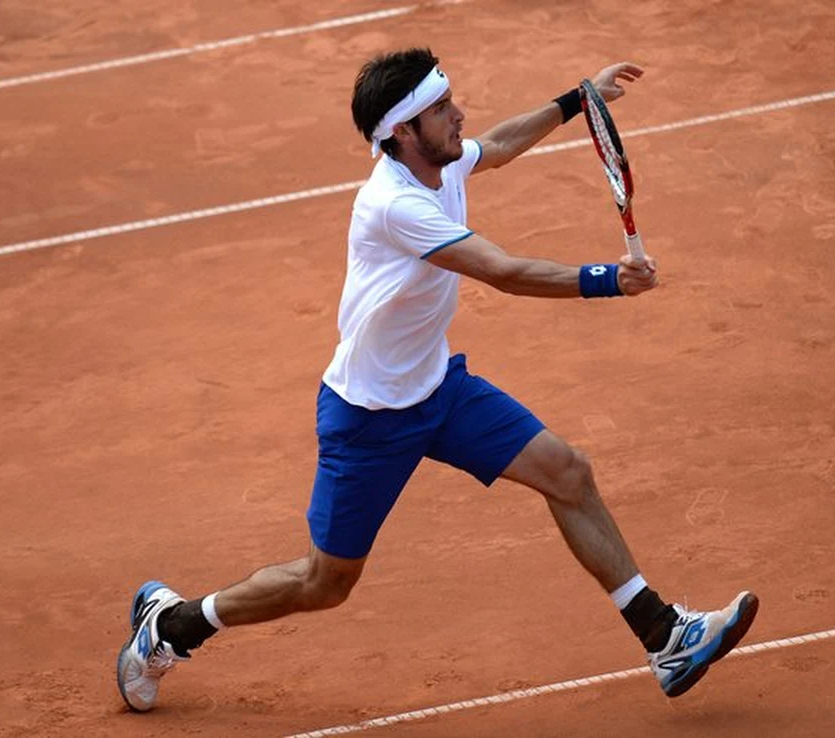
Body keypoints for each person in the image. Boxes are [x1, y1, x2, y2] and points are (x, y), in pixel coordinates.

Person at [117, 47, 758, 713]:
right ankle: (172, 625)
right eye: (441, 111)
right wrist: (606, 280)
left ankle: (663, 635)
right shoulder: (393, 206)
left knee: (566, 471)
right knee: (325, 582)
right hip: (367, 418)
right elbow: (503, 272)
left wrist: (578, 102)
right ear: (402, 131)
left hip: (439, 390)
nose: (460, 116)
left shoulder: (440, 161)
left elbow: (501, 143)